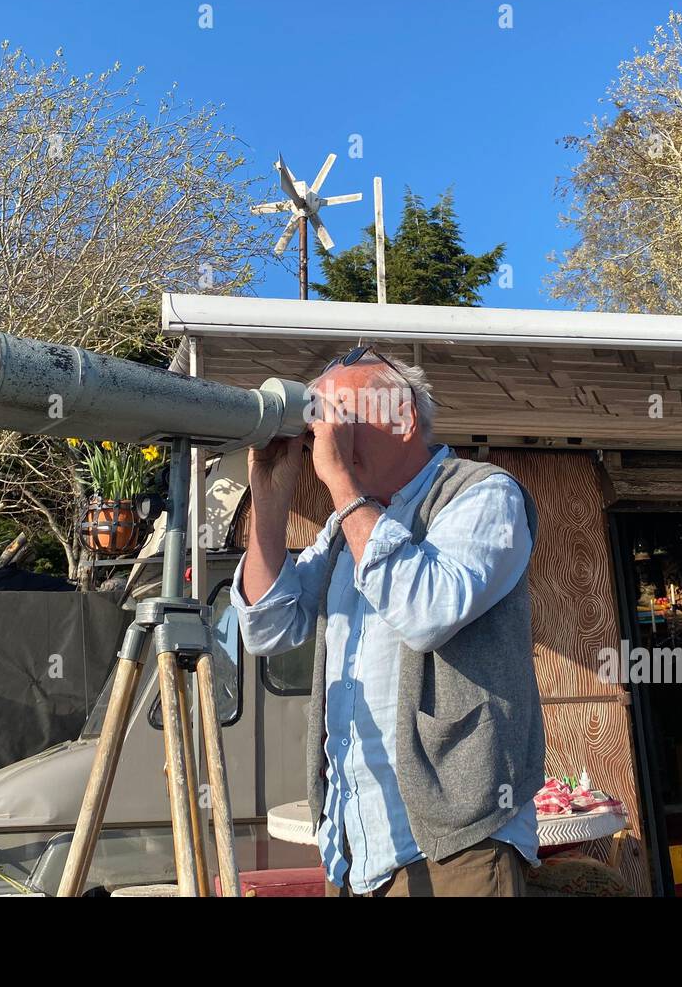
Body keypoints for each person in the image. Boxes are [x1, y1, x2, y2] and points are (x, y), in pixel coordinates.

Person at [231, 347, 545, 897]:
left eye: (335, 412)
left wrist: (342, 487)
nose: (322, 432)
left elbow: (428, 611)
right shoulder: (342, 529)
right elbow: (267, 628)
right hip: (355, 845)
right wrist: (270, 498)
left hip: (456, 844)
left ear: (400, 417)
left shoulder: (482, 493)